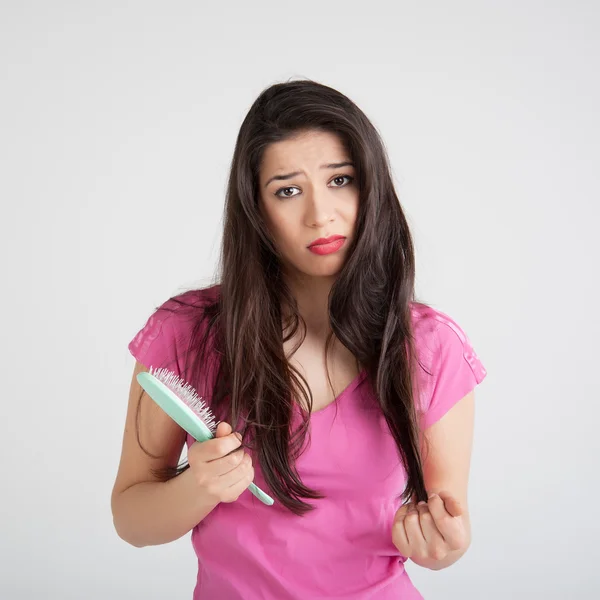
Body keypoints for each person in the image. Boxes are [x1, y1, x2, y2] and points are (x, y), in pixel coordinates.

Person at [111, 78, 487, 600]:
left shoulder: (429, 347)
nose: (320, 214)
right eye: (288, 190)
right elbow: (131, 518)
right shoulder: (188, 333)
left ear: (372, 185)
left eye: (341, 180)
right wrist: (198, 487)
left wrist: (442, 545)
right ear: (255, 210)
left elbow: (445, 526)